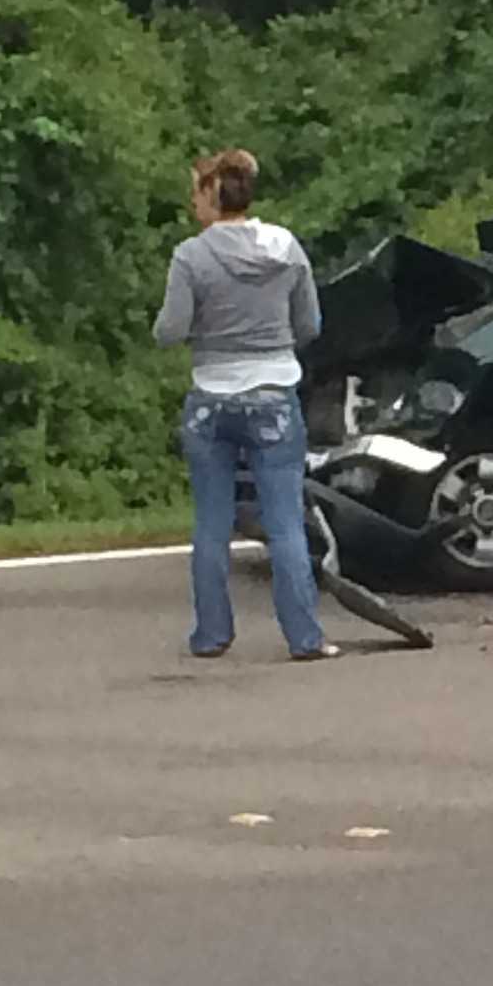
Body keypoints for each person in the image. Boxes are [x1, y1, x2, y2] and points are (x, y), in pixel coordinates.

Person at [153, 149, 336, 661]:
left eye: (195, 193)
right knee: (284, 522)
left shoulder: (191, 256)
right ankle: (305, 636)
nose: (193, 205)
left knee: (212, 521)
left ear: (212, 195)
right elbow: (310, 325)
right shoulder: (286, 247)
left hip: (211, 396)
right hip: (275, 392)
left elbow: (169, 331)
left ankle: (212, 634)